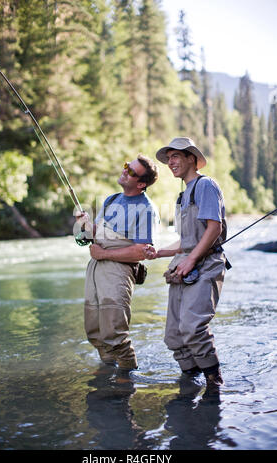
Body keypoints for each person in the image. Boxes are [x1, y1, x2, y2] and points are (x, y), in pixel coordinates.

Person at [152, 137, 227, 391]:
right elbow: (186, 240)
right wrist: (160, 252)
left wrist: (192, 259)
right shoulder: (183, 194)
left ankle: (214, 384)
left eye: (176, 156)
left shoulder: (205, 185)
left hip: (206, 266)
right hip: (184, 267)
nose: (170, 162)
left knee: (193, 327)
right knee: (174, 335)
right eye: (168, 158)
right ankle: (190, 384)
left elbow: (214, 228)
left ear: (191, 159)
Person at [75, 154, 159, 371]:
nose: (124, 171)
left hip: (118, 272)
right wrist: (84, 225)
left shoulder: (146, 209)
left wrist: (103, 255)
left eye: (131, 171)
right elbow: (97, 233)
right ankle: (108, 374)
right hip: (96, 269)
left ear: (141, 184)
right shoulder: (112, 200)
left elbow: (142, 251)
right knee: (94, 330)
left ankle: (126, 380)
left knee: (114, 333)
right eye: (126, 166)